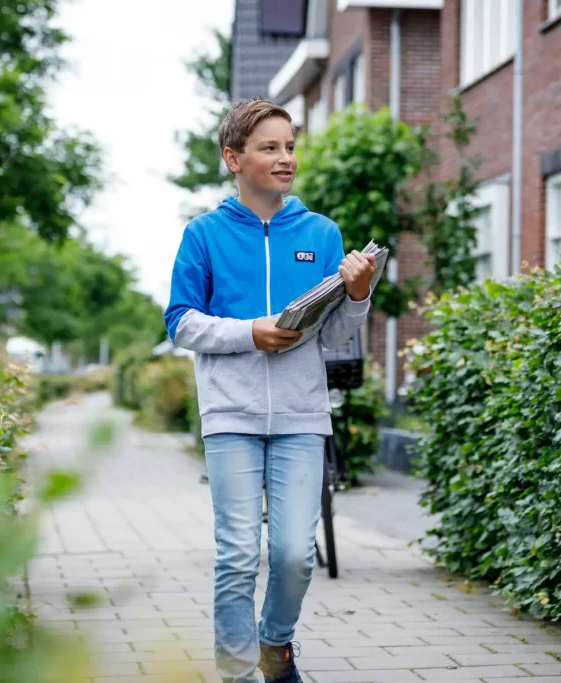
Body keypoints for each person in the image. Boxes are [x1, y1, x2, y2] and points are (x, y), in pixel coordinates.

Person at [163, 98, 376, 683]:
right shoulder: (203, 235)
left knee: (292, 555)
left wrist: (358, 295)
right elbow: (180, 321)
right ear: (234, 158)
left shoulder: (321, 234)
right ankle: (236, 674)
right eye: (270, 147)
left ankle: (274, 645)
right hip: (229, 414)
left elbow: (334, 334)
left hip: (303, 416)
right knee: (236, 556)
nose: (287, 158)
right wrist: (249, 334)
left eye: (290, 146)